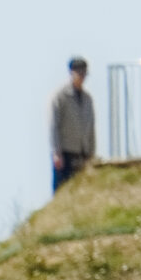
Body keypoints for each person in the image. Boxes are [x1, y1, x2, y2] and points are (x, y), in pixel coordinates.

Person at [49, 58, 96, 188]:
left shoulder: (88, 99)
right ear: (71, 73)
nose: (82, 77)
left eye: (84, 74)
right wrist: (56, 153)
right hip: (65, 153)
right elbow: (54, 126)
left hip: (83, 153)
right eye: (79, 73)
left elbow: (91, 127)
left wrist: (91, 154)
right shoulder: (60, 97)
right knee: (62, 189)